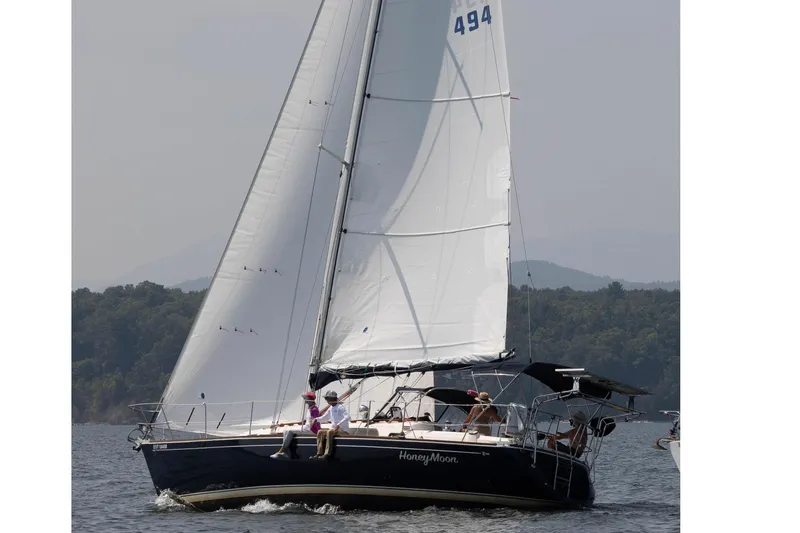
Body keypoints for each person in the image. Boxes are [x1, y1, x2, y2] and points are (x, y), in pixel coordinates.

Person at [270, 391, 320, 459]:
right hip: (307, 427)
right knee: (286, 429)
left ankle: (282, 451)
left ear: (309, 399)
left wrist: (313, 428)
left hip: (311, 429)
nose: (304, 400)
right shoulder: (310, 408)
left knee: (289, 431)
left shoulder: (314, 409)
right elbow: (305, 421)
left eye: (305, 398)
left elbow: (316, 420)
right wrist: (286, 424)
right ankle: (284, 450)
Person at [310, 390, 351, 459]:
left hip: (343, 431)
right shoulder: (331, 408)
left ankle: (327, 454)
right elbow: (325, 417)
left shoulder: (340, 407)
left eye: (327, 398)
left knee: (329, 431)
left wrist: (338, 425)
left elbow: (348, 417)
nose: (326, 400)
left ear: (332, 399)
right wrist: (316, 419)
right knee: (320, 432)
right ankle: (319, 453)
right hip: (334, 430)